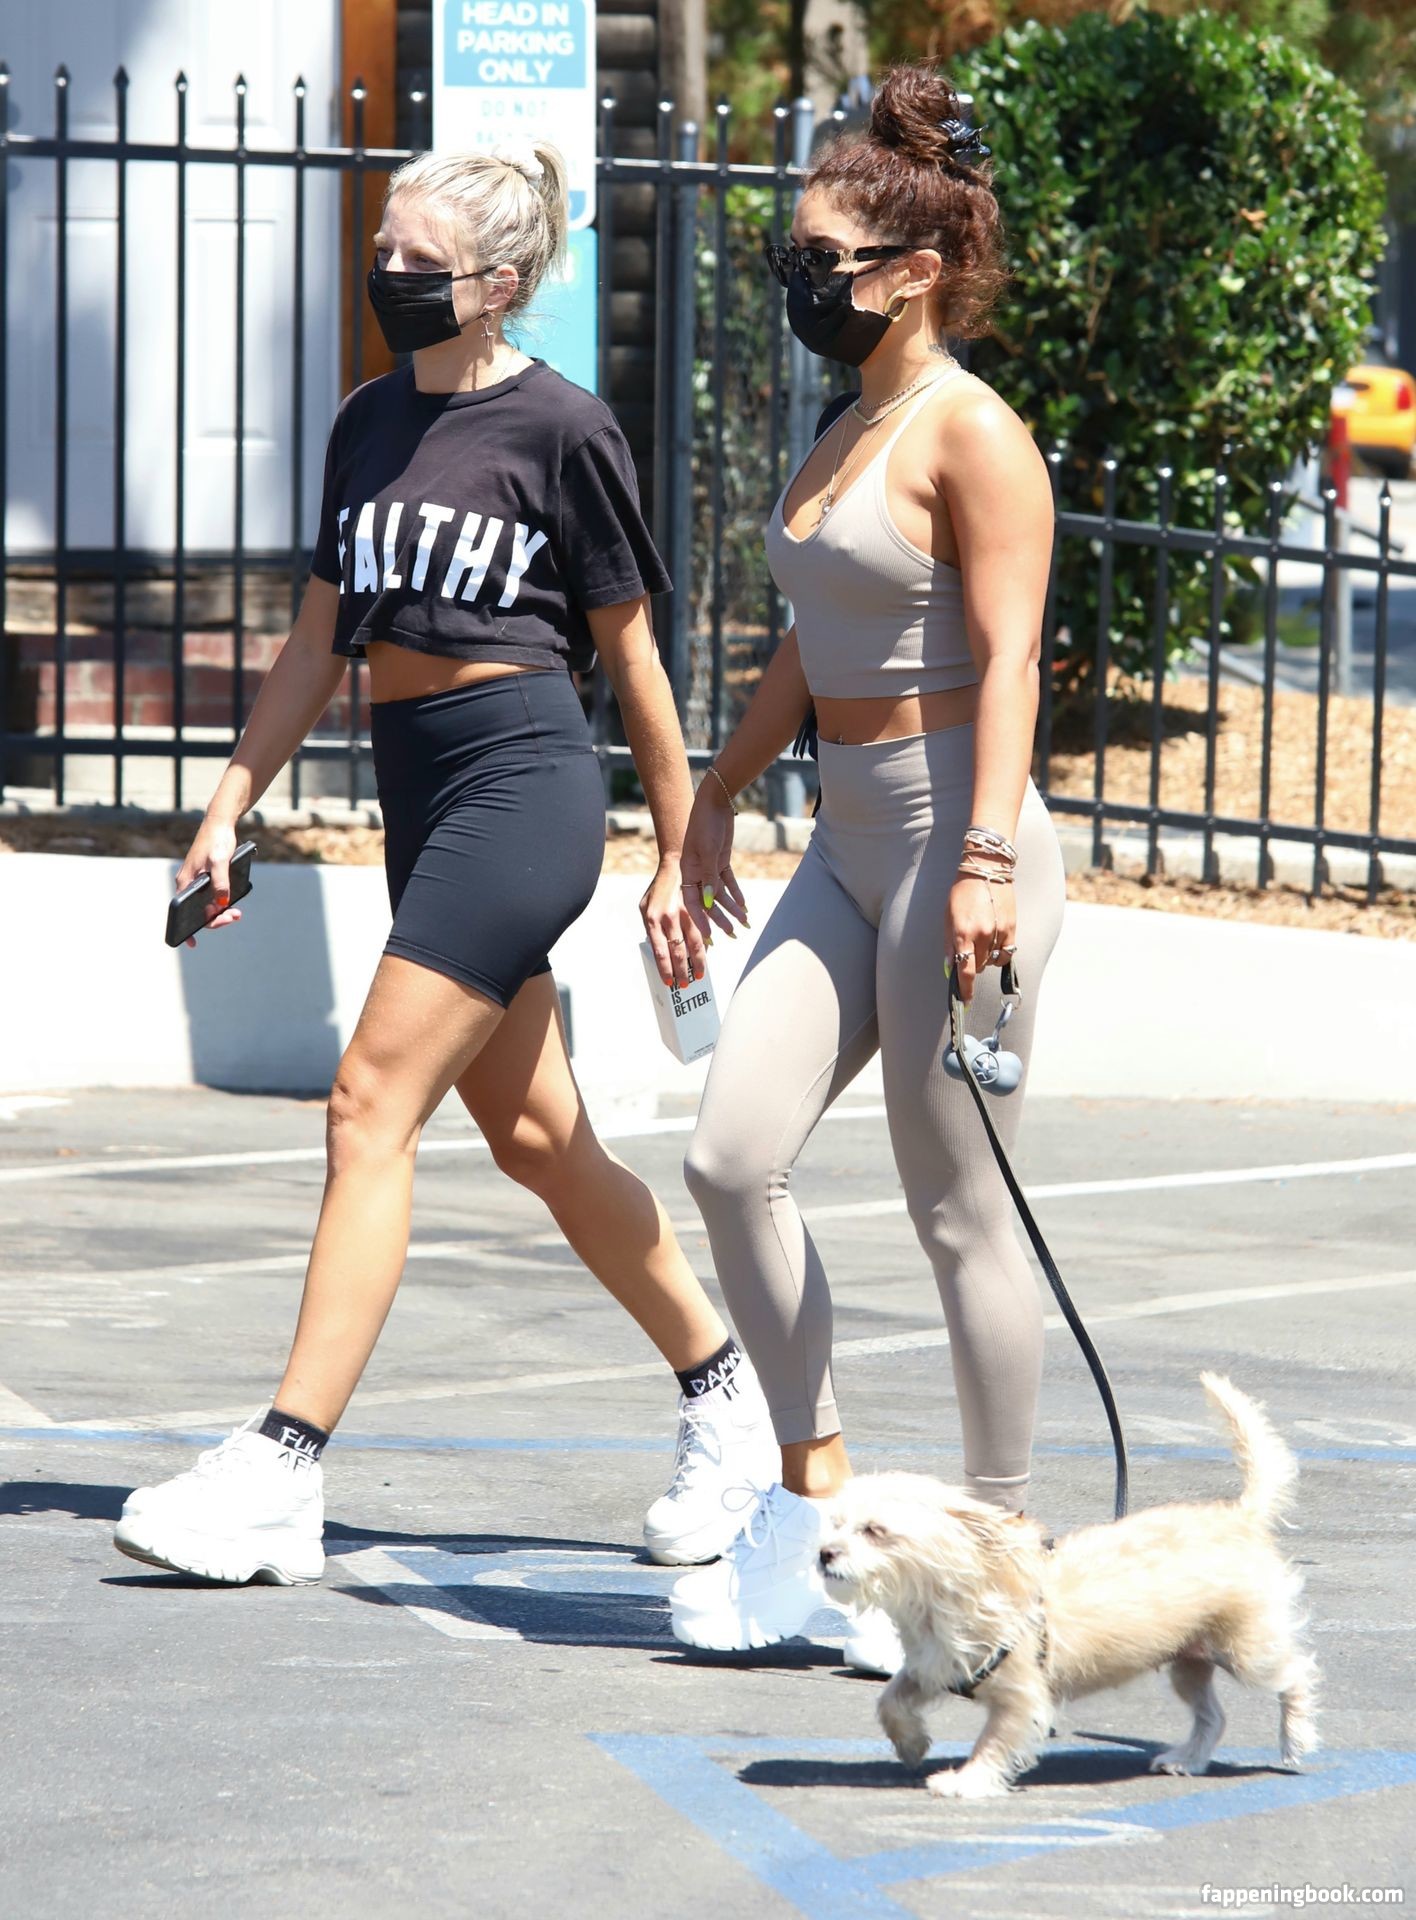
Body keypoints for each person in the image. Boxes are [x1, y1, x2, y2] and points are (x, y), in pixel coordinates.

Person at [113, 136, 776, 1587]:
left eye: (424, 261)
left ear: (504, 282)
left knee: (368, 1102)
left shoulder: (565, 430)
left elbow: (634, 662)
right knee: (539, 1140)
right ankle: (728, 1397)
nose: (392, 276)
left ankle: (282, 1467)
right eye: (385, 253)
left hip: (524, 784)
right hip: (421, 794)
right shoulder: (367, 422)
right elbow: (314, 644)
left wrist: (679, 850)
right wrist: (228, 805)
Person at [665, 66, 1067, 1665]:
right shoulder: (849, 426)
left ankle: (995, 1560)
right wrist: (715, 793)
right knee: (727, 1159)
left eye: (821, 257)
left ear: (915, 272)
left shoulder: (974, 433)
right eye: (798, 253)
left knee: (956, 1210)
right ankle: (810, 1499)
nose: (798, 279)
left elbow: (1013, 657)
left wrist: (985, 858)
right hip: (844, 837)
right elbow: (812, 639)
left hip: (960, 839)